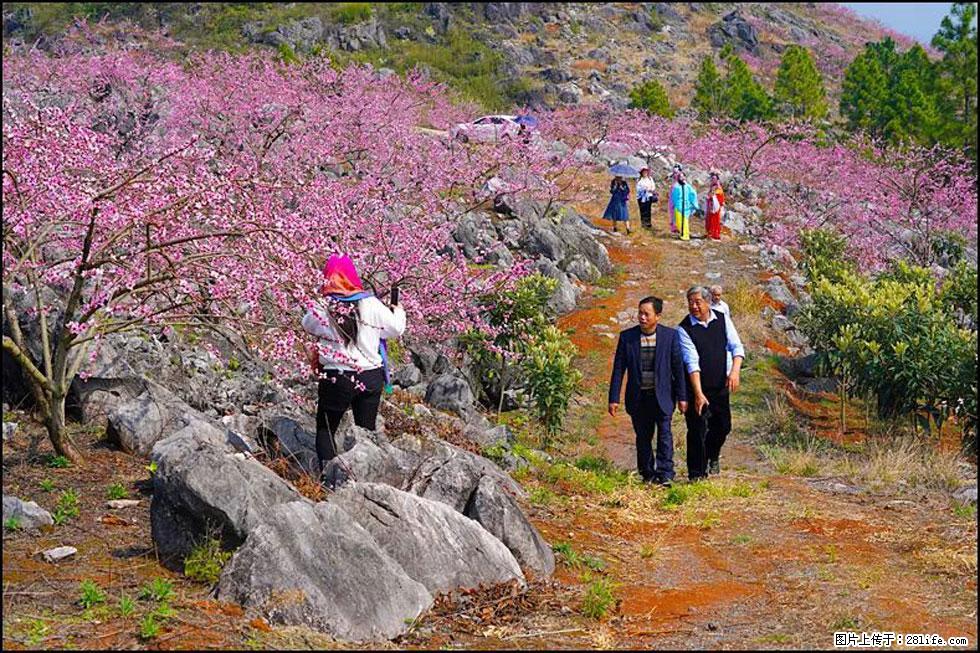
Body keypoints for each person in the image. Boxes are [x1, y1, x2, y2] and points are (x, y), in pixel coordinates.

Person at [302, 254, 406, 474]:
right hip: (370, 375)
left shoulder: (322, 305)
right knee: (365, 431)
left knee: (326, 428)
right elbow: (394, 329)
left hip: (336, 377)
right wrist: (396, 308)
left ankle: (328, 477)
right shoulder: (370, 303)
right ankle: (362, 477)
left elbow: (308, 325)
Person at [608, 296, 688, 487]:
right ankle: (647, 474)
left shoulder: (670, 337)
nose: (642, 317)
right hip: (638, 397)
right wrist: (613, 398)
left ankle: (666, 474)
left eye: (646, 314)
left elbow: (678, 368)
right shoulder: (628, 338)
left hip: (663, 396)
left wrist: (683, 397)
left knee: (665, 436)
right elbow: (619, 369)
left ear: (657, 316)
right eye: (640, 313)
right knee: (643, 437)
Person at [677, 286, 745, 481]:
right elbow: (692, 362)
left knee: (723, 426)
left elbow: (736, 346)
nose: (694, 306)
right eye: (690, 302)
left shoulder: (722, 319)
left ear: (707, 302)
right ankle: (696, 474)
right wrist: (698, 394)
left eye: (698, 302)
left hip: (720, 385)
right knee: (697, 428)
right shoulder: (684, 329)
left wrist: (735, 371)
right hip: (696, 387)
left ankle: (711, 455)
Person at [669, 170, 698, 241]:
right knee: (679, 221)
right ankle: (684, 234)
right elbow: (673, 197)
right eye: (680, 177)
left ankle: (685, 235)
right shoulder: (676, 187)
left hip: (686, 206)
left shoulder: (688, 186)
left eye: (683, 176)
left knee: (685, 221)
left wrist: (694, 204)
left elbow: (693, 194)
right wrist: (673, 205)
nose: (682, 178)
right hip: (678, 206)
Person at [705, 171, 725, 240]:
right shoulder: (712, 187)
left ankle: (715, 234)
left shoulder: (719, 188)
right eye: (712, 178)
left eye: (714, 179)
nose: (713, 180)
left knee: (715, 220)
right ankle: (709, 233)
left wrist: (712, 197)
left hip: (716, 206)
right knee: (709, 219)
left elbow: (720, 197)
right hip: (710, 205)